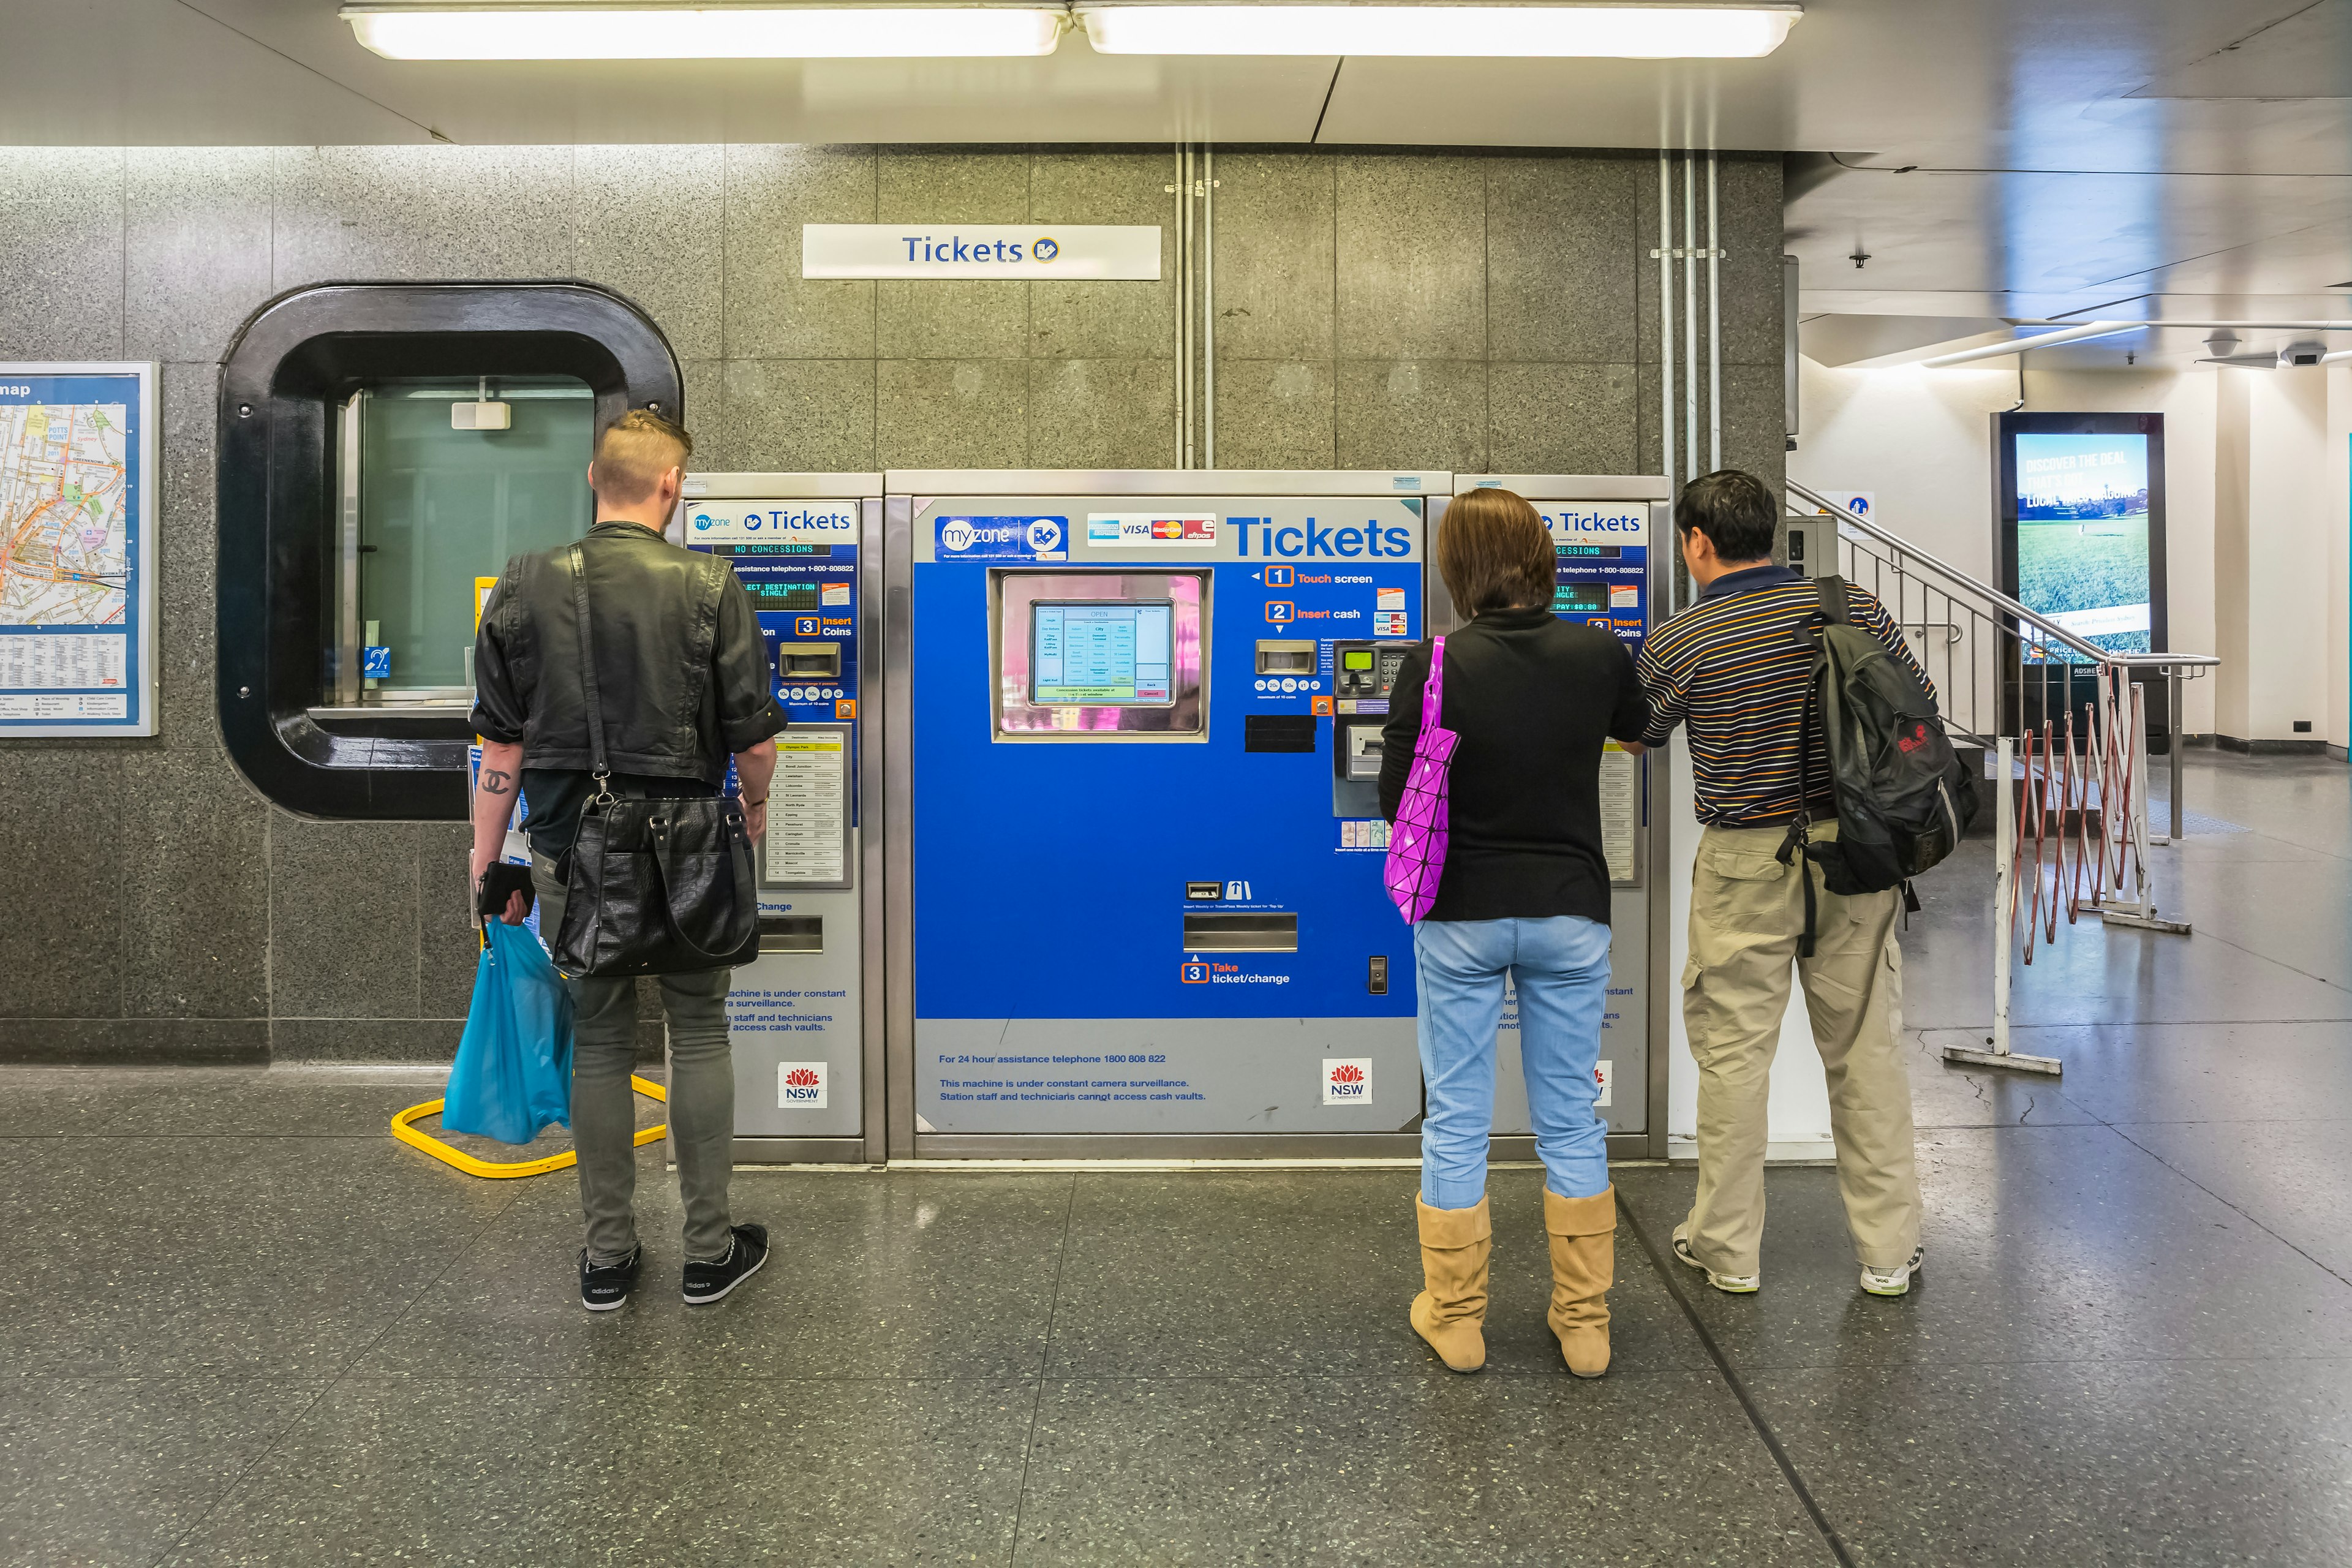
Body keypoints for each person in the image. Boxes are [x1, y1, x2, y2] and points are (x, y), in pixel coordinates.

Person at [469, 409, 786, 1313]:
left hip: (576, 850)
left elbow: (501, 751)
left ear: (593, 480)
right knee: (700, 1034)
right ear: (671, 486)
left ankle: (609, 1258)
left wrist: (490, 861)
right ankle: (708, 1253)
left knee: (601, 1041)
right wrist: (754, 804)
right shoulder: (710, 583)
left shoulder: (525, 585)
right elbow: (753, 744)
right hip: (691, 850)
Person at [1634, 469, 1929, 1300]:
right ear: (1771, 534)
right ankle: (1888, 1253)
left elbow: (1642, 735)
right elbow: (1918, 707)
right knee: (1866, 1050)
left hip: (1745, 861)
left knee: (1733, 1057)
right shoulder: (1853, 607)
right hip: (1859, 856)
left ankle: (1728, 1250)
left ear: (1696, 543)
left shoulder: (1682, 638)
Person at [1378, 487, 1649, 1378]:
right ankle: (1584, 1323)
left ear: (1459, 568)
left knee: (1456, 1118)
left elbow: (1395, 800)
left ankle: (1455, 1319)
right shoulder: (1598, 653)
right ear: (1541, 557)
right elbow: (1639, 728)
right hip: (1570, 910)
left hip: (1459, 914)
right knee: (1571, 1120)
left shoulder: (1440, 661)